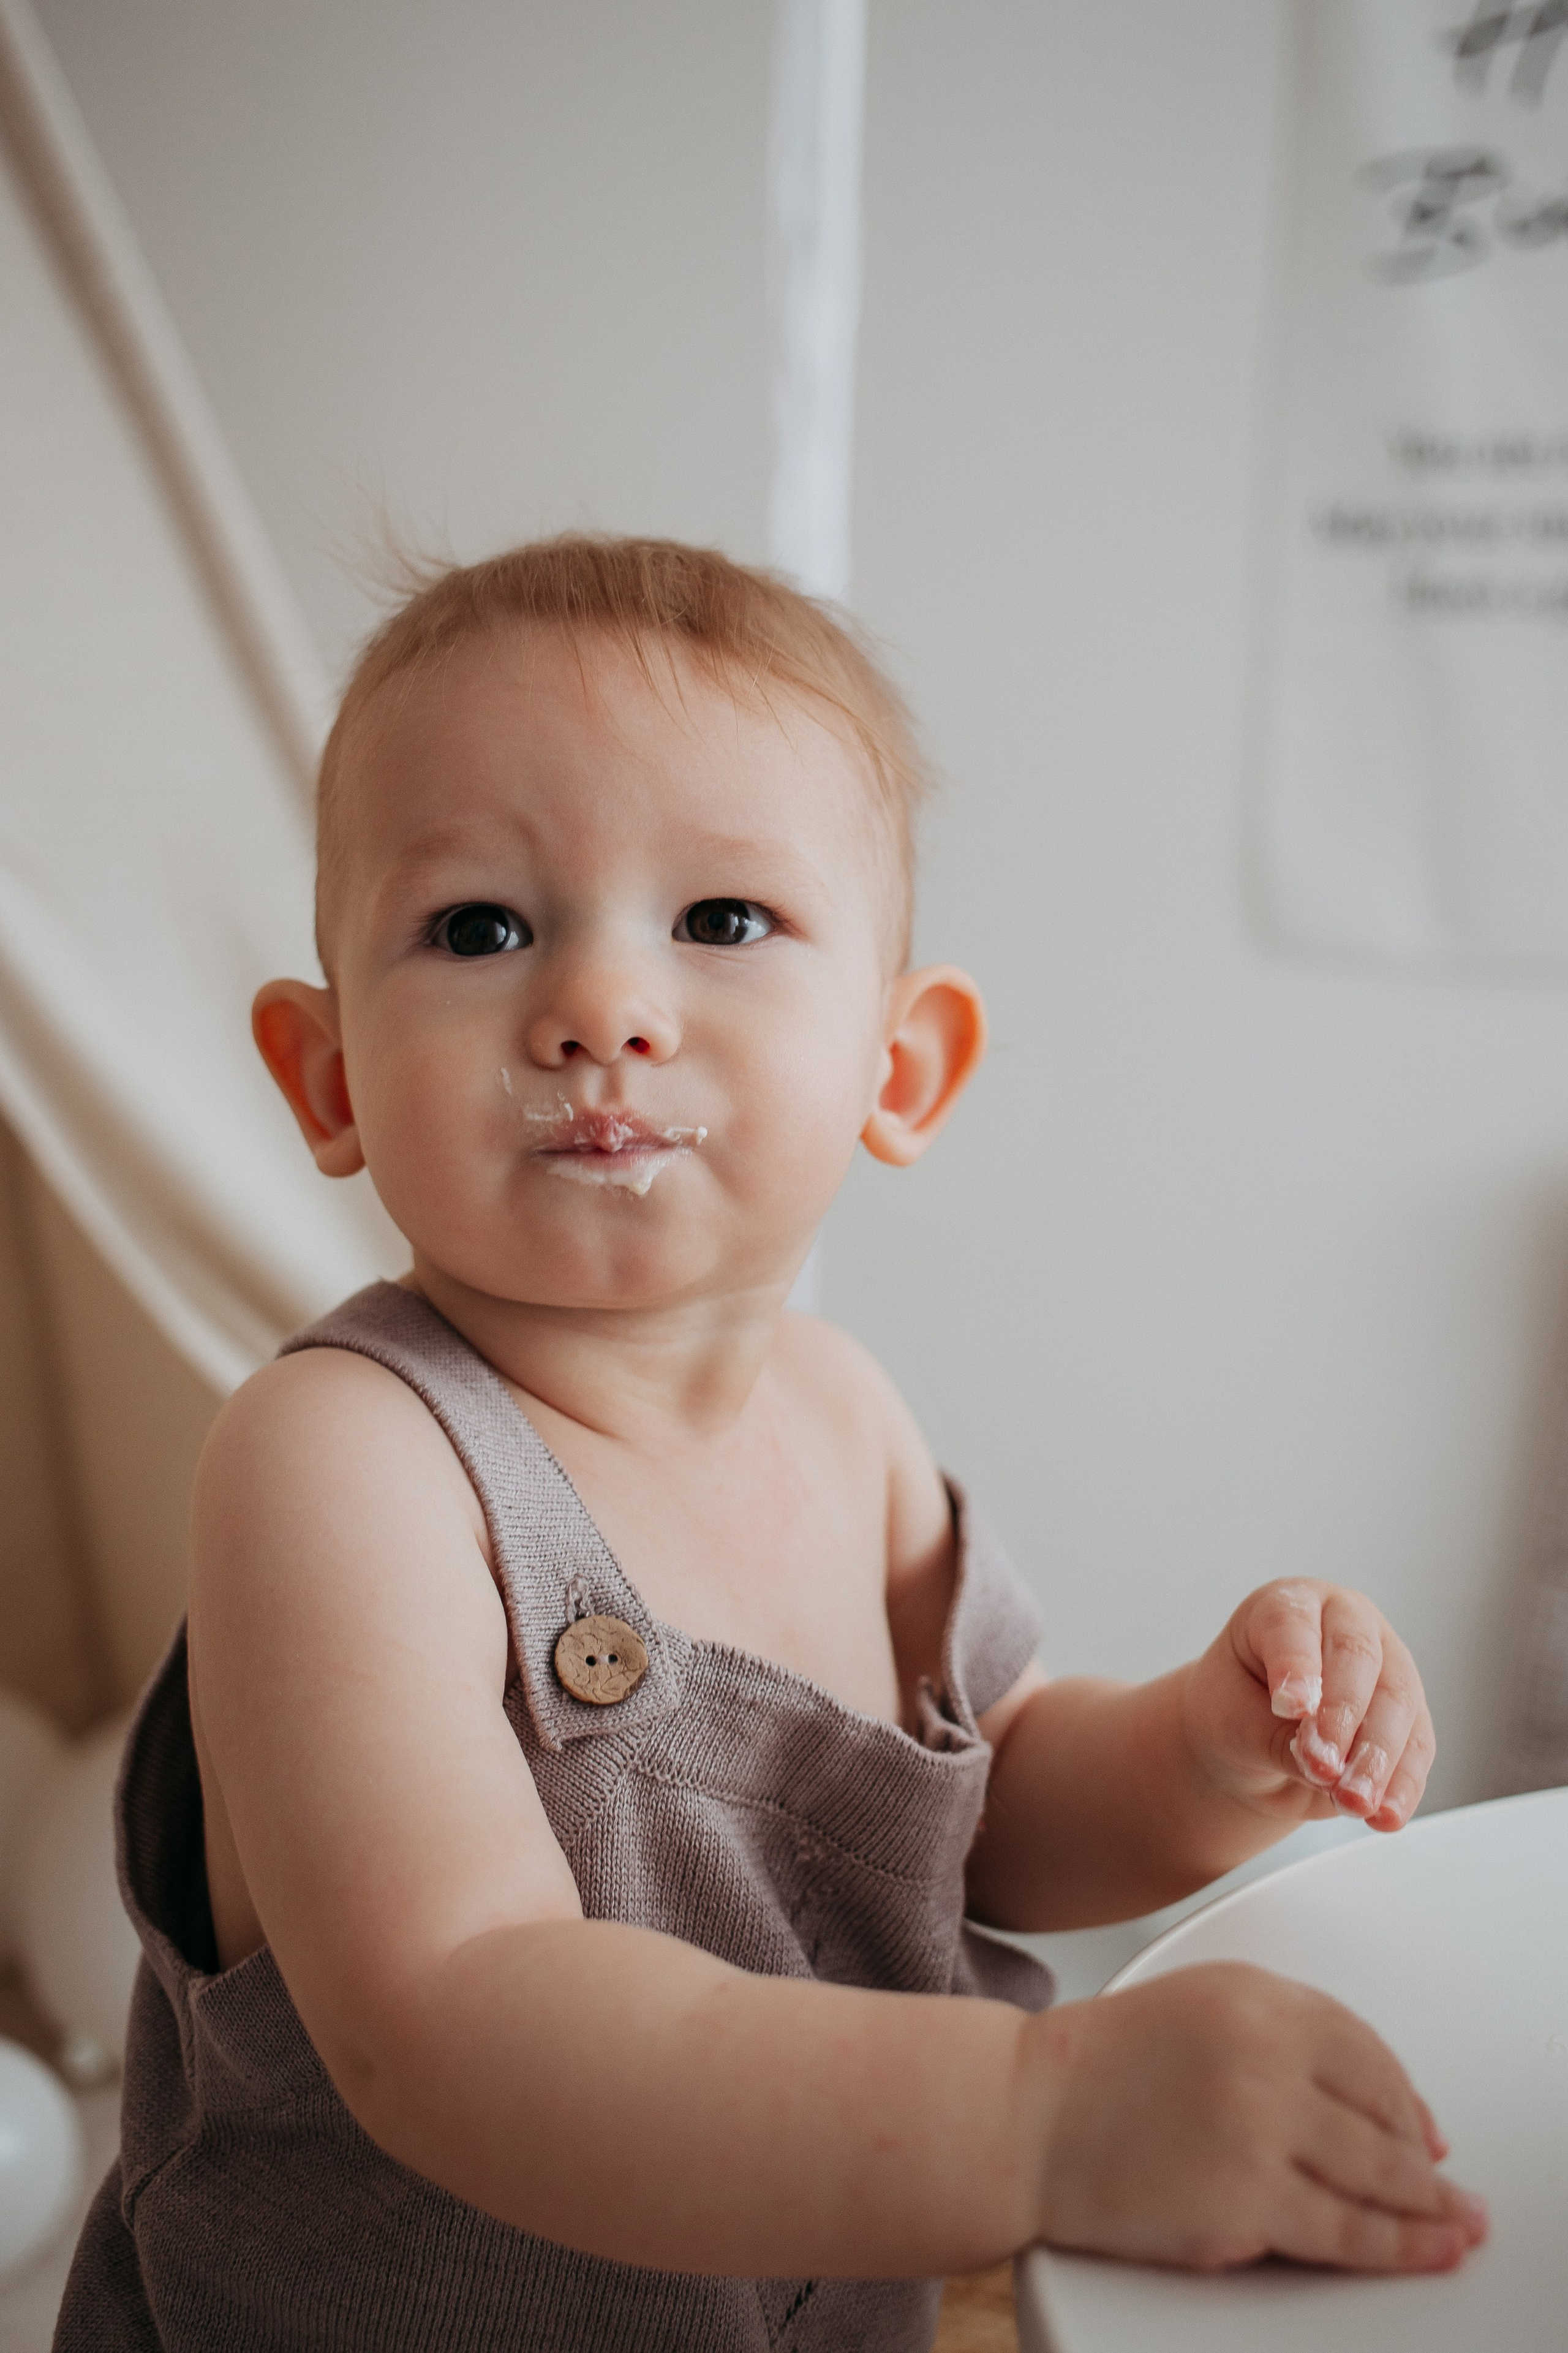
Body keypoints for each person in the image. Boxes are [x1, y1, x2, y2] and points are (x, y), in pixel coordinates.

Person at [56, 536, 1485, 2352]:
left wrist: (1214, 1750)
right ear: (329, 1080)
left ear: (903, 1070)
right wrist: (1041, 2117)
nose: (603, 1009)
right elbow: (454, 2005)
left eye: (721, 921)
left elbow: (993, 1813)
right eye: (481, 925)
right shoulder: (339, 1458)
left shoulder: (847, 1412)